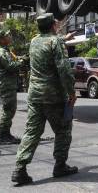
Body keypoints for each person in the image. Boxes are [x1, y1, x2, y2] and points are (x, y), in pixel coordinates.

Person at [11, 13, 78, 186]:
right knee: (63, 130)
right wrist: (71, 92)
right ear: (53, 25)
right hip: (53, 95)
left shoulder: (34, 41)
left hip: (34, 95)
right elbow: (64, 69)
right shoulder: (55, 42)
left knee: (32, 132)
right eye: (55, 23)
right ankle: (60, 166)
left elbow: (47, 43)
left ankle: (19, 169)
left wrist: (63, 38)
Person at [0, 28, 28, 144]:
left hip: (9, 85)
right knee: (8, 111)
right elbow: (10, 66)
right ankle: (3, 136)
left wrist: (22, 58)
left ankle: (6, 134)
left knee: (10, 110)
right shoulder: (1, 52)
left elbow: (14, 60)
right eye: (7, 36)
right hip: (6, 85)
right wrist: (23, 62)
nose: (10, 37)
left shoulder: (5, 50)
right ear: (2, 39)